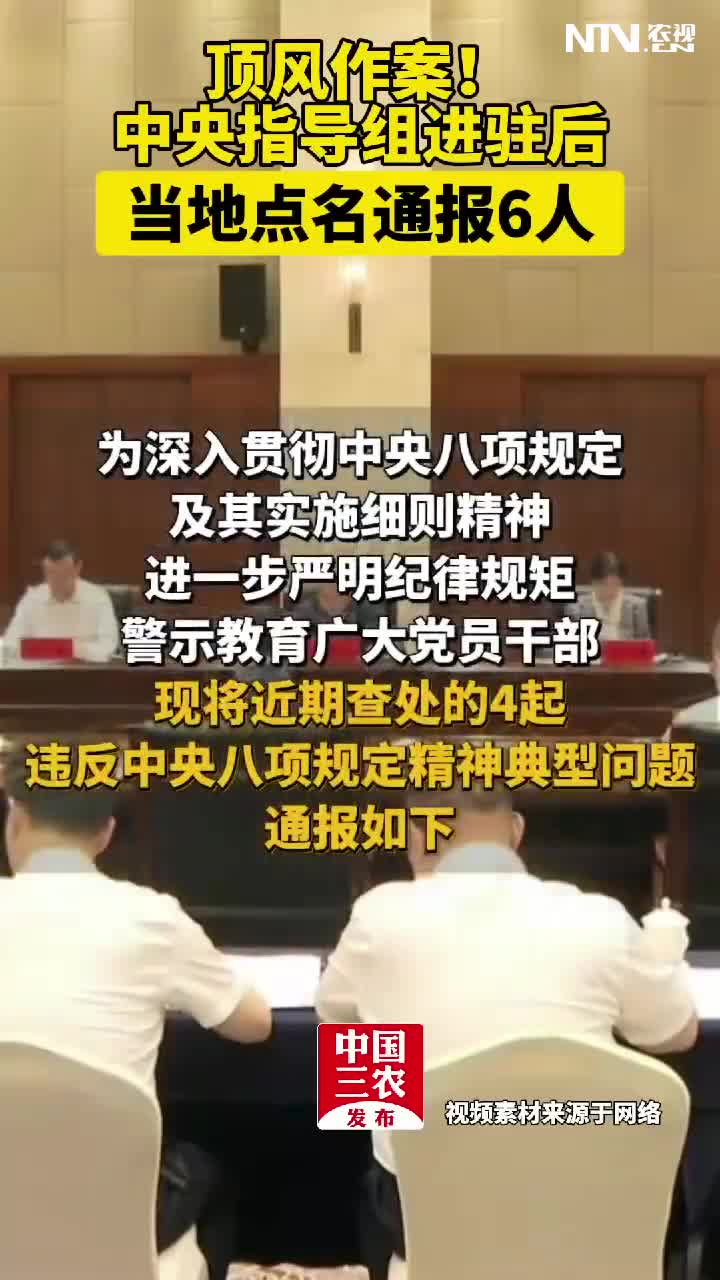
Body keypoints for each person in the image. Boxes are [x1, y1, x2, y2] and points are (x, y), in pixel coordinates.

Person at [316, 785, 698, 1280]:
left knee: (367, 1079)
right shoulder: (600, 917)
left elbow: (334, 1014)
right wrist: (663, 955)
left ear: (416, 834)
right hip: (589, 1228)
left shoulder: (379, 915)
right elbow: (675, 1032)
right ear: (516, 831)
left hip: (432, 1231)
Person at [0, 740, 273, 1279]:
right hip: (109, 1227)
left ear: (16, 817)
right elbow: (254, 1025)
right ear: (106, 833)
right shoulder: (151, 918)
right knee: (207, 1173)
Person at [4, 539, 119, 662]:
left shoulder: (98, 598)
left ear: (78, 568)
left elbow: (108, 647)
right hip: (40, 669)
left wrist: (71, 650)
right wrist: (64, 649)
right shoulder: (31, 599)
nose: (56, 581)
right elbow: (10, 644)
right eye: (50, 573)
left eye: (63, 574)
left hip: (84, 669)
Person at [568, 551, 651, 641]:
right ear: (593, 582)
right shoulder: (577, 607)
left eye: (614, 583)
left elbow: (644, 643)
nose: (609, 589)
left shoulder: (636, 607)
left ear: (621, 582)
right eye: (604, 584)